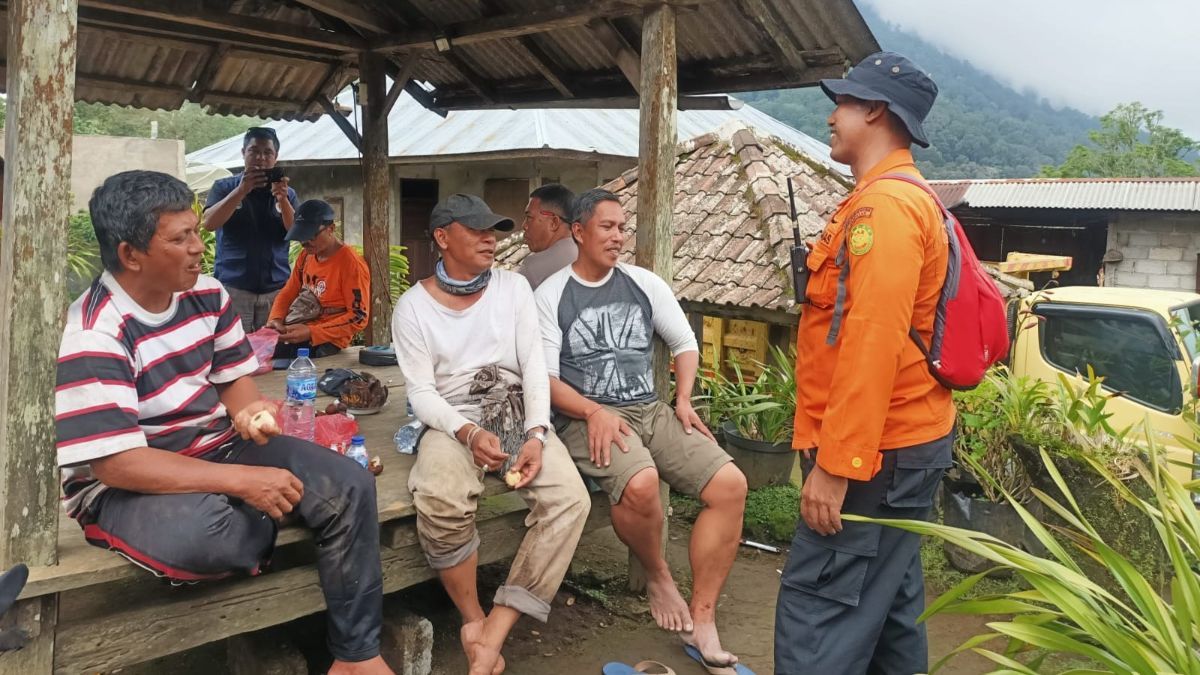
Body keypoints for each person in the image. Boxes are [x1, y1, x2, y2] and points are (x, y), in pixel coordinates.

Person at [55, 171, 391, 675]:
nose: (198, 247)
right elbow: (116, 464)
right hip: (126, 482)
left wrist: (249, 411)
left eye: (196, 231)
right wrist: (243, 481)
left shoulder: (208, 295)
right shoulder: (94, 331)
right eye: (180, 238)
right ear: (130, 255)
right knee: (210, 534)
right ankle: (249, 513)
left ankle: (357, 655)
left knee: (349, 483)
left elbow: (235, 383)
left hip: (216, 446)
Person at [774, 52, 952, 675]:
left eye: (843, 103)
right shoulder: (888, 200)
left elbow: (870, 340)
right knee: (889, 612)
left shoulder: (887, 211)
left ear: (875, 111)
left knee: (818, 613)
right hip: (903, 446)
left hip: (877, 457)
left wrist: (836, 464)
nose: (831, 115)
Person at [535, 189, 749, 670]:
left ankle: (704, 618)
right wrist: (593, 411)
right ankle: (658, 575)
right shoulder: (551, 295)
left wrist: (685, 398)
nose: (617, 237)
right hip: (584, 418)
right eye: (607, 227)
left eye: (622, 227)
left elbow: (684, 342)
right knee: (642, 482)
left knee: (731, 486)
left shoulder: (643, 283)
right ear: (579, 231)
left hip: (650, 409)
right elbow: (546, 381)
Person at [392, 193, 591, 675]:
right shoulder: (413, 308)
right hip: (451, 417)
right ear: (442, 238)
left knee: (570, 501)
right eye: (477, 230)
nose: (491, 239)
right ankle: (472, 618)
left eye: (495, 230)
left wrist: (537, 434)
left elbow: (534, 366)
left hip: (517, 408)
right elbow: (420, 393)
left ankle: (494, 633)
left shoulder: (512, 287)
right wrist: (464, 432)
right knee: (440, 497)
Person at [203, 126, 298, 333]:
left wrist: (282, 199)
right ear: (243, 153)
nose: (260, 158)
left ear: (276, 157)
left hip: (276, 289)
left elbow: (296, 231)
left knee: (274, 349)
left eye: (267, 153)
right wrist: (241, 191)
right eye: (253, 151)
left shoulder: (287, 193)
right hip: (234, 287)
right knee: (234, 351)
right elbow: (209, 223)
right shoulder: (224, 187)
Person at [266, 199, 370, 360]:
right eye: (300, 236)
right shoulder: (307, 255)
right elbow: (289, 291)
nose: (304, 243)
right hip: (302, 326)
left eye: (311, 236)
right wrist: (276, 319)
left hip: (329, 340)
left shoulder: (350, 264)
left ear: (331, 229)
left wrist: (312, 332)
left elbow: (358, 317)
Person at [517, 183, 577, 290]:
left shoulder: (534, 267)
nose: (524, 225)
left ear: (554, 222)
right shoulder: (596, 260)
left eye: (529, 217)